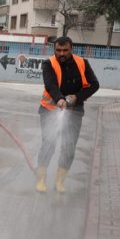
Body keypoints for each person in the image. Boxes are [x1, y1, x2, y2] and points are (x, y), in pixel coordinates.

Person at [36, 36, 99, 193]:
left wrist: (77, 97)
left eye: (65, 50)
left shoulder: (82, 63)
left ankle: (59, 182)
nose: (62, 53)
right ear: (54, 50)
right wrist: (59, 99)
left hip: (75, 111)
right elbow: (50, 84)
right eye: (58, 50)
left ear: (71, 49)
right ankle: (41, 180)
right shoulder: (49, 64)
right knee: (48, 144)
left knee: (69, 147)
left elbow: (94, 85)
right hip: (49, 110)